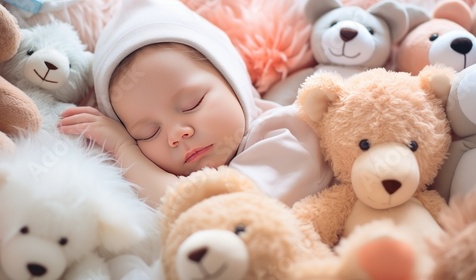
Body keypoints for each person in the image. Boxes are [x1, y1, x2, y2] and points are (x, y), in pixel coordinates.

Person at [58, 0, 333, 208]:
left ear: (232, 79)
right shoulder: (152, 177)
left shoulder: (286, 135)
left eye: (192, 104)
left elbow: (203, 210)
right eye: (148, 133)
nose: (177, 134)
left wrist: (123, 147)